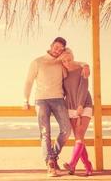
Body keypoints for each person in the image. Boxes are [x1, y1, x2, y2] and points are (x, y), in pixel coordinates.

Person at [23, 37, 74, 177]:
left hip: (58, 99)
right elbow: (28, 81)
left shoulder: (61, 63)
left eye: (61, 49)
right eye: (56, 47)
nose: (58, 50)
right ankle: (51, 164)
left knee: (67, 130)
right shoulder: (37, 62)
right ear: (51, 45)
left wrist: (79, 63)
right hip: (41, 100)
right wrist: (25, 100)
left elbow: (72, 68)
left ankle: (52, 157)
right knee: (45, 133)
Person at [60, 51, 93, 176]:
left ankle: (72, 164)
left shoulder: (81, 69)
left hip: (84, 105)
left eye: (69, 59)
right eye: (64, 61)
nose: (67, 63)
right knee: (79, 138)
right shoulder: (62, 73)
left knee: (79, 134)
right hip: (70, 107)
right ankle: (88, 167)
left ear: (73, 58)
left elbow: (83, 88)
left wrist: (80, 105)